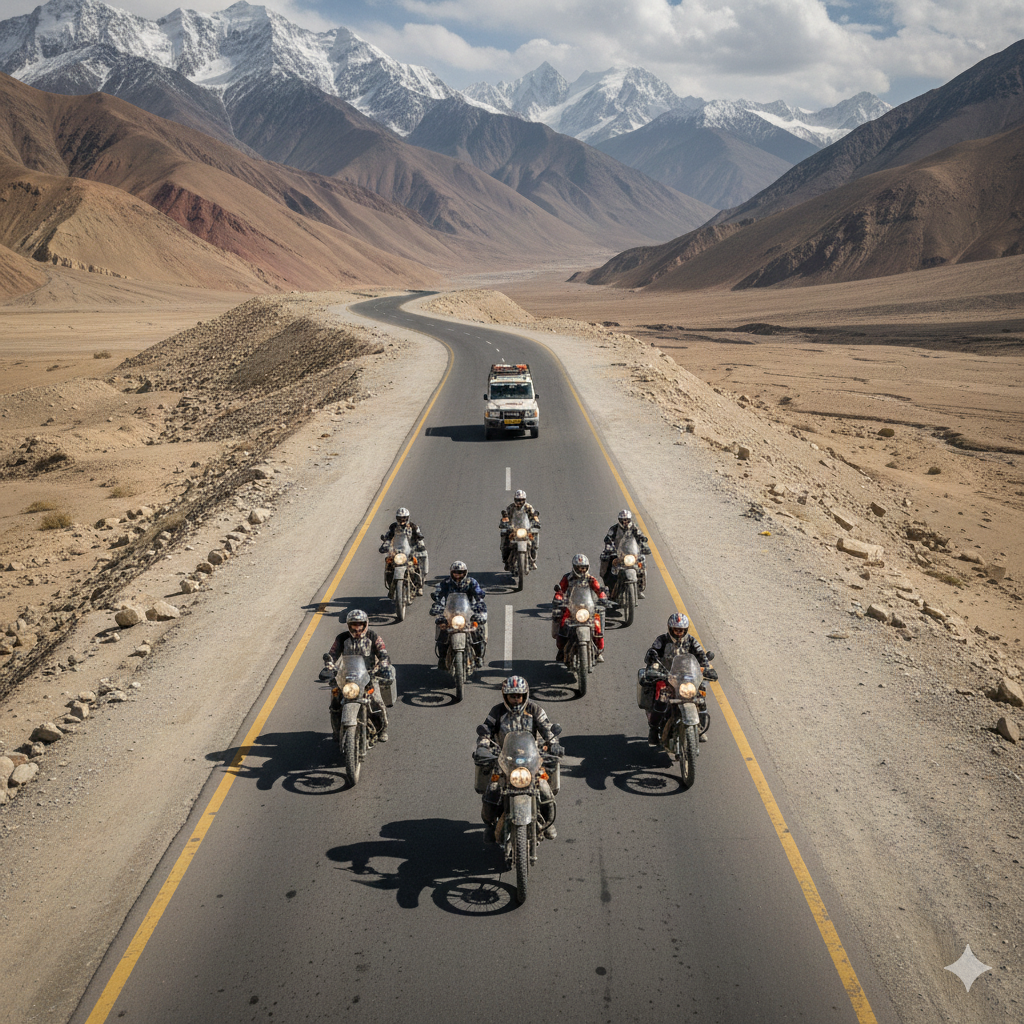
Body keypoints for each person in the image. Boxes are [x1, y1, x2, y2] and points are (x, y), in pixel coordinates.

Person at [476, 676, 563, 842]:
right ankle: (490, 825)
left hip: (532, 759)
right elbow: (486, 731)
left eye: (519, 696)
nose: (516, 699)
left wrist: (554, 744)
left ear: (525, 695)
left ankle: (548, 824)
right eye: (512, 696)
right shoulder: (497, 711)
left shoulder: (535, 709)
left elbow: (547, 729)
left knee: (545, 789)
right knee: (492, 790)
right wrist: (483, 746)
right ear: (505, 696)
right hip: (504, 759)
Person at [642, 612, 717, 746]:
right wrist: (652, 662)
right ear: (670, 628)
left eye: (681, 630)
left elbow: (701, 656)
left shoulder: (691, 641)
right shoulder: (662, 640)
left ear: (685, 630)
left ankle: (699, 728)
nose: (678, 632)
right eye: (676, 629)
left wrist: (707, 669)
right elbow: (652, 655)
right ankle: (653, 729)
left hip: (687, 677)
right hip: (667, 677)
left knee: (700, 697)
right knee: (662, 700)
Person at [324, 608, 393, 742]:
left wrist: (384, 665)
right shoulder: (342, 638)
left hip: (369, 676)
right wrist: (329, 666)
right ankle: (336, 730)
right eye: (354, 625)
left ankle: (383, 729)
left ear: (365, 624)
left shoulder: (373, 637)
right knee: (335, 702)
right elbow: (332, 655)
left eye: (360, 625)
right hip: (346, 677)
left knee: (377, 701)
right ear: (349, 626)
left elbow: (383, 653)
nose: (357, 629)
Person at [431, 561, 488, 668]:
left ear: (465, 573)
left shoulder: (471, 582)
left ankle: (479, 656)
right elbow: (439, 597)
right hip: (450, 613)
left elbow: (479, 598)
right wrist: (436, 608)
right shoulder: (445, 583)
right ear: (451, 573)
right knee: (442, 630)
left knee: (478, 629)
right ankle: (442, 657)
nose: (458, 575)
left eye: (461, 572)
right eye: (455, 572)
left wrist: (481, 612)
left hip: (468, 613)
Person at [552, 553, 607, 663]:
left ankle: (599, 651)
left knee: (597, 627)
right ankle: (561, 650)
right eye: (579, 568)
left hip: (588, 609)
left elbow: (598, 590)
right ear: (574, 567)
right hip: (571, 608)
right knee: (562, 626)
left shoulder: (590, 579)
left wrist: (603, 597)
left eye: (584, 568)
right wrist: (558, 598)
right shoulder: (567, 578)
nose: (582, 570)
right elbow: (561, 590)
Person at [600, 508, 650, 597]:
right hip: (618, 553)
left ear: (629, 520)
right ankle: (610, 588)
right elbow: (608, 540)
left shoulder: (634, 527)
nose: (625, 522)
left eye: (626, 520)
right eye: (623, 520)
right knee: (607, 562)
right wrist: (609, 550)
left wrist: (644, 545)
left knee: (642, 562)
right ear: (619, 520)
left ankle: (639, 588)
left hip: (631, 553)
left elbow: (640, 537)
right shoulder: (614, 529)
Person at [379, 507, 427, 595]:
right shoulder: (393, 527)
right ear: (397, 518)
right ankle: (391, 586)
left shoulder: (413, 527)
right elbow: (388, 537)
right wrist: (385, 545)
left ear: (407, 518)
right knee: (388, 564)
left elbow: (419, 536)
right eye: (399, 518)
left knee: (416, 565)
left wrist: (420, 545)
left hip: (409, 552)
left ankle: (419, 586)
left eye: (404, 518)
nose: (402, 520)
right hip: (396, 552)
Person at [500, 489, 540, 568]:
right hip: (513, 529)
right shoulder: (511, 507)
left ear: (524, 500)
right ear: (515, 499)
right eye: (518, 500)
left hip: (526, 529)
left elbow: (534, 516)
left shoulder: (528, 507)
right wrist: (504, 522)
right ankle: (506, 560)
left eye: (522, 500)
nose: (520, 502)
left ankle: (533, 560)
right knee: (505, 542)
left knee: (534, 541)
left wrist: (536, 521)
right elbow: (506, 517)